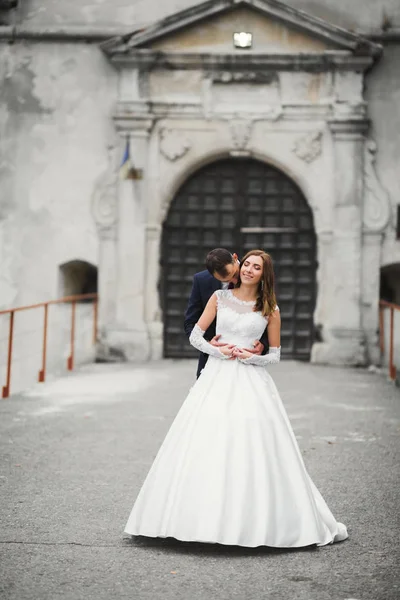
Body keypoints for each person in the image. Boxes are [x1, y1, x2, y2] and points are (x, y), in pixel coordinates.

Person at [124, 249, 348, 548]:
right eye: (248, 265)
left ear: (263, 274)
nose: (249, 270)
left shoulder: (270, 309)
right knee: (205, 439)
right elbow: (195, 335)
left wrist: (252, 356)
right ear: (239, 264)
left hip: (250, 380)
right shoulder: (218, 297)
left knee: (249, 442)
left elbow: (275, 355)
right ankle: (190, 520)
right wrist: (218, 350)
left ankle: (249, 522)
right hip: (216, 375)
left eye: (257, 267)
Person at [184, 248, 269, 378]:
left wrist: (264, 343)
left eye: (234, 275)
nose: (233, 281)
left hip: (248, 365)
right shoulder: (201, 281)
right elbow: (190, 323)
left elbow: (270, 317)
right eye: (226, 281)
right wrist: (208, 344)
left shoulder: (258, 276)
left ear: (235, 258)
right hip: (211, 364)